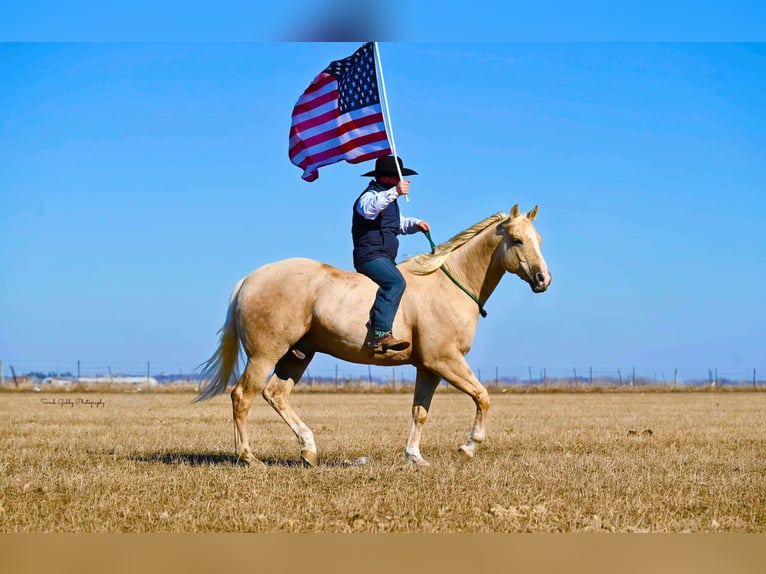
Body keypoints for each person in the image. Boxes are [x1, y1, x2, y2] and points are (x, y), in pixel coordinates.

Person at [352, 155, 430, 353]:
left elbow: (399, 224)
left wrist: (416, 224)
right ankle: (381, 334)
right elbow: (368, 210)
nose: (401, 180)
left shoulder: (388, 201)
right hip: (370, 255)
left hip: (384, 256)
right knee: (396, 282)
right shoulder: (369, 196)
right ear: (387, 178)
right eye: (398, 177)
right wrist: (395, 192)